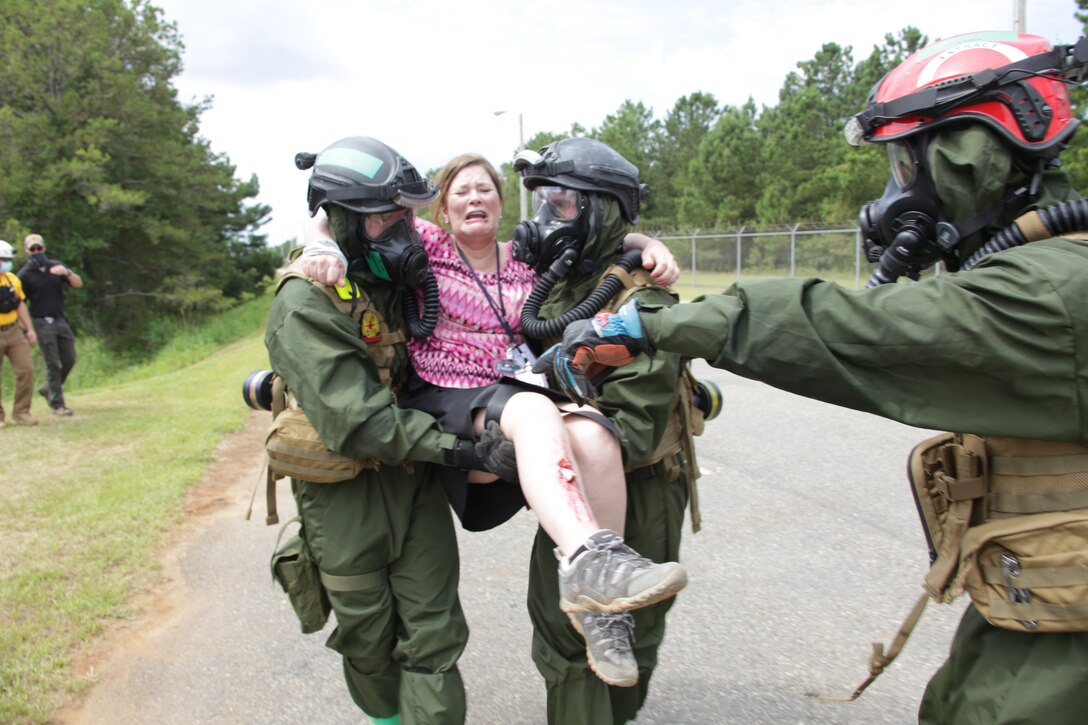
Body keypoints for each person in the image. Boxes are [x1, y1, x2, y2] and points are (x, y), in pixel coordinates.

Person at [536, 31, 1088, 723]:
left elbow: (854, 326)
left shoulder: (1053, 290)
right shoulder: (1045, 269)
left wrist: (650, 323)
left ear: (969, 156)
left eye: (905, 163)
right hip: (1036, 601)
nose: (896, 193)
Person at [301, 151, 689, 677]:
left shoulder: (529, 257)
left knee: (595, 435)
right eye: (460, 192)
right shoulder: (427, 246)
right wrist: (320, 241)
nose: (474, 198)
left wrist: (648, 245)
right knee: (533, 410)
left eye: (484, 189)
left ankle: (604, 611)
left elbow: (605, 237)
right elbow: (347, 214)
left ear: (503, 205)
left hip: (515, 390)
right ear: (442, 210)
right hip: (449, 393)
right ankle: (588, 563)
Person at [267, 136, 481, 725]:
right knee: (369, 640)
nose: (402, 232)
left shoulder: (396, 281)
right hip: (345, 496)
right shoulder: (304, 302)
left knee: (435, 633)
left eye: (404, 216)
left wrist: (641, 246)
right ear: (342, 221)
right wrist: (462, 449)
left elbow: (501, 256)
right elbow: (358, 421)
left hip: (413, 482)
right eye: (383, 219)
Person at [509, 137, 703, 724]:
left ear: (601, 211)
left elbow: (632, 431)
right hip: (576, 492)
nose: (547, 218)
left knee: (634, 639)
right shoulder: (564, 285)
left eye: (562, 203)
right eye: (543, 202)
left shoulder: (644, 299)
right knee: (562, 636)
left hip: (642, 491)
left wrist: (539, 413)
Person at [18, 233, 82, 417]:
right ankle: (58, 404)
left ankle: (48, 388)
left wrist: (67, 272)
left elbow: (78, 284)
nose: (37, 251)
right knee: (53, 362)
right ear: (26, 250)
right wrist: (27, 329)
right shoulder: (24, 275)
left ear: (44, 248)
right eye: (33, 249)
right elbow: (19, 303)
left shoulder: (55, 266)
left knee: (69, 358)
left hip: (60, 318)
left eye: (39, 248)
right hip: (41, 321)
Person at [0, 240, 38, 427]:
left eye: (8, 260)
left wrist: (29, 329)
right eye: (4, 260)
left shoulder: (13, 280)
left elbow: (20, 304)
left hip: (13, 330)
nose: (7, 263)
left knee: (26, 369)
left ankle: (22, 412)